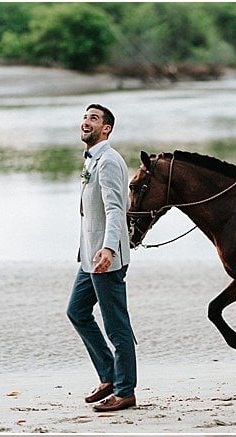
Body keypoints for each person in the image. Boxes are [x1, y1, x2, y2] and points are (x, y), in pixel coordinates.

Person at [66, 104, 138, 413]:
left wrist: (108, 248)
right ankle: (109, 375)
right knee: (77, 311)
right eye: (85, 116)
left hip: (105, 256)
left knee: (116, 325)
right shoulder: (93, 160)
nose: (86, 121)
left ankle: (125, 391)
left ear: (106, 128)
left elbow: (114, 209)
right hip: (90, 256)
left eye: (93, 118)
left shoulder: (108, 161)